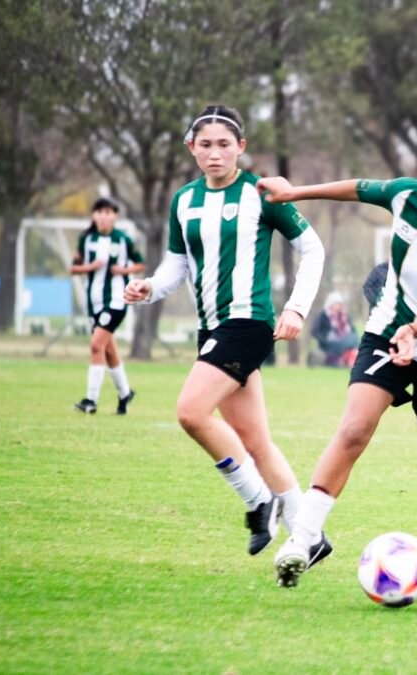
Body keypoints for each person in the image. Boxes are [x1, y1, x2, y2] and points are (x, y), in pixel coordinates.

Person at [258, 130, 417, 606]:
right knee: (354, 429)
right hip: (386, 328)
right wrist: (295, 193)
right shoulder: (402, 196)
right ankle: (304, 537)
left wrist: (415, 334)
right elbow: (358, 187)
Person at [124, 104, 329, 562]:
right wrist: (149, 287)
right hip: (211, 328)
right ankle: (309, 536)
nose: (215, 153)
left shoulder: (261, 194)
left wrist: (295, 308)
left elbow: (312, 249)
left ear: (241, 147)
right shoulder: (184, 201)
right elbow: (177, 266)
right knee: (254, 440)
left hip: (249, 322)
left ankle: (259, 501)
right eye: (205, 145)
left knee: (191, 412)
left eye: (224, 144)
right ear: (191, 149)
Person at [70, 197, 144, 415]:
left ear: (115, 216)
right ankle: (125, 394)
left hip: (116, 301)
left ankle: (90, 401)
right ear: (94, 215)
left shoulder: (123, 240)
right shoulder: (86, 239)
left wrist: (123, 271)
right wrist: (90, 266)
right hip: (93, 302)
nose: (104, 216)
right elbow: (74, 268)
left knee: (96, 345)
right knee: (109, 350)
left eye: (108, 212)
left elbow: (140, 263)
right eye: (100, 212)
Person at [308, 292, 359, 367]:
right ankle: (342, 360)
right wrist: (324, 340)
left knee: (353, 339)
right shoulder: (323, 315)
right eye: (336, 304)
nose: (338, 306)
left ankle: (349, 360)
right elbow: (315, 331)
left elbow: (353, 331)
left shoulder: (345, 316)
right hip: (330, 343)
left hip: (346, 341)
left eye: (339, 304)